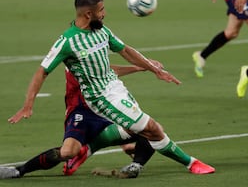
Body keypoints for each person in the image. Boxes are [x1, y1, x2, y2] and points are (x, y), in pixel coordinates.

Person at [1, 0, 215, 179]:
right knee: (151, 129)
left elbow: (126, 51)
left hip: (116, 89)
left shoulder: (102, 31)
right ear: (88, 14)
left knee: (148, 130)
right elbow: (42, 72)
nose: (104, 13)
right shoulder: (68, 43)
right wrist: (28, 104)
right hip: (97, 100)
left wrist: (152, 68)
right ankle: (191, 163)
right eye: (101, 10)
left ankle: (116, 156)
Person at [0, 65, 157, 180]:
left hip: (103, 108)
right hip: (82, 112)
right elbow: (109, 71)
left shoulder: (96, 44)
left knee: (149, 130)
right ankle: (19, 170)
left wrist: (138, 67)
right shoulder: (72, 51)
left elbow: (108, 72)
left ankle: (135, 165)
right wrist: (138, 66)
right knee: (67, 152)